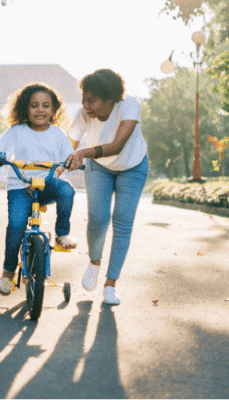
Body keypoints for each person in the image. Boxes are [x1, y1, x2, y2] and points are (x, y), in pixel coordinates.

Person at [65, 69, 149, 305]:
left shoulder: (128, 106)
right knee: (98, 219)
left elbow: (117, 146)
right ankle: (94, 262)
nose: (85, 105)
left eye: (91, 100)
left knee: (122, 222)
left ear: (109, 98)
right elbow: (66, 147)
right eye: (84, 99)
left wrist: (82, 152)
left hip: (132, 166)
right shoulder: (84, 114)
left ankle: (111, 284)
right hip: (99, 167)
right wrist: (53, 171)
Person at [0, 84, 77, 295]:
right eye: (34, 105)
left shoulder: (58, 134)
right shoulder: (16, 131)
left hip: (46, 184)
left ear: (54, 111)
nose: (40, 110)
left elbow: (68, 158)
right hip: (20, 186)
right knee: (16, 226)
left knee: (67, 191)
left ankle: (62, 234)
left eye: (46, 106)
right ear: (25, 109)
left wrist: (70, 163)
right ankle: (7, 274)